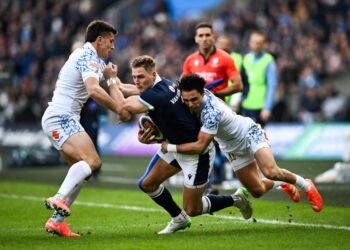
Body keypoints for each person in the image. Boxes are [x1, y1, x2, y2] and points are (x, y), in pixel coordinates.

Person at [108, 55, 253, 234]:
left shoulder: (157, 95)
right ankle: (179, 218)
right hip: (174, 145)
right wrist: (117, 83)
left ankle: (236, 198)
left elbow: (122, 106)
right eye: (135, 77)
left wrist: (109, 80)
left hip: (196, 153)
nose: (137, 81)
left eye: (141, 77)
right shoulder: (164, 85)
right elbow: (128, 89)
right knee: (147, 184)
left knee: (193, 208)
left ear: (153, 75)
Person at [161, 74, 323, 213]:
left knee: (270, 171)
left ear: (203, 93)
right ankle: (282, 184)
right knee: (257, 191)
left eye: (194, 99)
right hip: (231, 147)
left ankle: (306, 185)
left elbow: (201, 146)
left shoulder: (211, 111)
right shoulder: (191, 96)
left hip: (248, 133)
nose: (190, 104)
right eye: (186, 100)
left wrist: (170, 147)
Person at [41, 20, 131, 237]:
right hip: (61, 117)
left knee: (84, 171)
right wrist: (119, 109)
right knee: (93, 162)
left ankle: (57, 222)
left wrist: (152, 93)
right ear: (98, 40)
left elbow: (120, 87)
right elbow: (93, 90)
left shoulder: (92, 59)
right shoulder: (87, 57)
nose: (113, 46)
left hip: (61, 117)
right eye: (110, 41)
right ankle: (60, 198)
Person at [183, 22, 243, 186]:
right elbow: (183, 86)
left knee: (226, 145)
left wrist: (216, 94)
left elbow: (238, 85)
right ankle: (207, 181)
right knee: (202, 147)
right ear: (196, 39)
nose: (204, 38)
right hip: (195, 113)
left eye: (207, 35)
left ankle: (238, 175)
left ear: (213, 37)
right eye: (201, 35)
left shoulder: (225, 58)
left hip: (218, 112)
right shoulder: (190, 61)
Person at [241, 31, 278, 127]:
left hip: (260, 105)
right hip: (246, 104)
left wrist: (267, 107)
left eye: (259, 43)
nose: (256, 45)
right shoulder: (246, 58)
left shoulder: (268, 60)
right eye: (254, 42)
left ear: (263, 44)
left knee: (259, 138)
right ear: (249, 42)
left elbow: (272, 86)